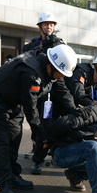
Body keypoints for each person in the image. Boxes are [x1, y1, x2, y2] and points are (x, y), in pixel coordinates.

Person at [0, 45, 78, 193]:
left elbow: (62, 91)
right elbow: (31, 109)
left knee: (14, 139)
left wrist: (76, 111)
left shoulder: (52, 69)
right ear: (52, 66)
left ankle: (13, 175)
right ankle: (4, 184)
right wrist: (43, 135)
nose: (62, 76)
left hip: (14, 101)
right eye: (61, 72)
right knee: (1, 143)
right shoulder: (31, 73)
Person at [22, 12, 67, 161]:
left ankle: (52, 149)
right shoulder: (33, 44)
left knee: (52, 121)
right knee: (36, 118)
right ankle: (37, 147)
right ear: (40, 26)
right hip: (38, 88)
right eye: (46, 24)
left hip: (54, 89)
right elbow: (25, 56)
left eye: (52, 24)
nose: (49, 27)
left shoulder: (59, 43)